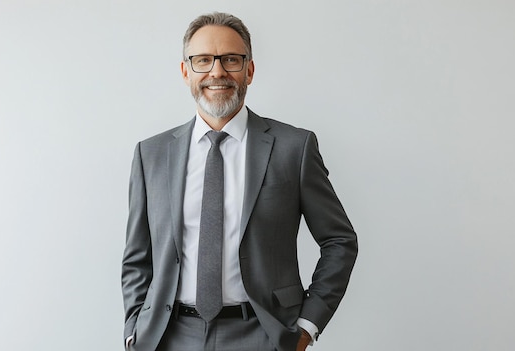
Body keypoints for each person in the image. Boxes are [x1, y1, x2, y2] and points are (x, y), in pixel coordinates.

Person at [121, 12, 358, 351]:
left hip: (263, 335)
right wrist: (134, 328)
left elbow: (339, 240)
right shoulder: (152, 154)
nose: (217, 72)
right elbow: (136, 256)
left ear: (249, 69)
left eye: (231, 59)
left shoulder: (294, 148)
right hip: (168, 337)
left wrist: (306, 327)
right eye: (203, 60)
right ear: (186, 71)